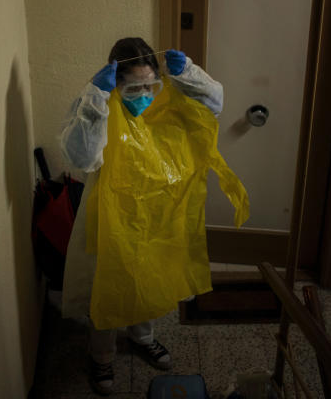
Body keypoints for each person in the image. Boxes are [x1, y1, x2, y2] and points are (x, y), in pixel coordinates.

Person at [59, 37, 227, 395]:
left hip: (153, 213)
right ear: (116, 83)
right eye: (134, 87)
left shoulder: (166, 101)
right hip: (109, 214)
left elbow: (213, 105)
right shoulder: (100, 105)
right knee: (106, 285)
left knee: (147, 277)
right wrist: (96, 98)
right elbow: (83, 157)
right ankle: (102, 357)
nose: (144, 93)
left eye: (151, 84)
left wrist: (190, 74)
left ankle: (143, 338)